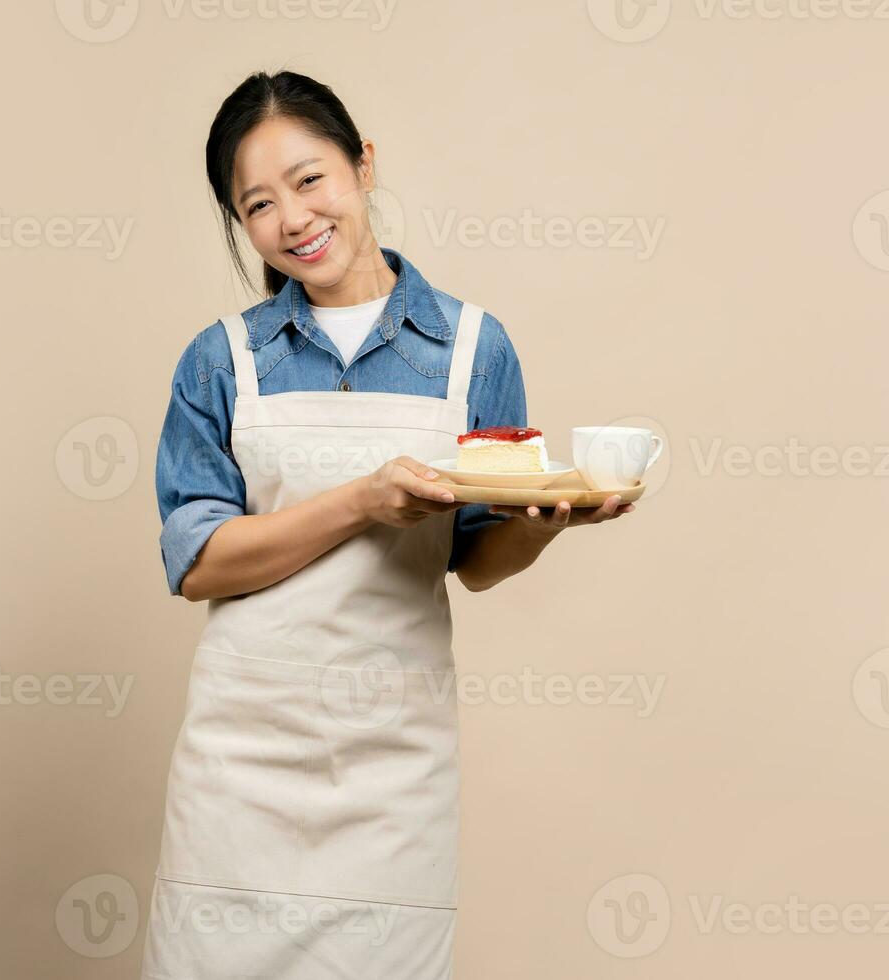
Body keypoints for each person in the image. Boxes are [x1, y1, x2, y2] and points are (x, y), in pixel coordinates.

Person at [142, 69, 634, 979]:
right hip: (242, 760)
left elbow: (477, 562)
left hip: (392, 767)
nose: (292, 217)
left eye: (310, 179)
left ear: (363, 165)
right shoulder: (222, 361)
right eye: (257, 203)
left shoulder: (473, 348)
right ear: (239, 223)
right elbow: (200, 562)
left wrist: (551, 519)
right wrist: (362, 501)